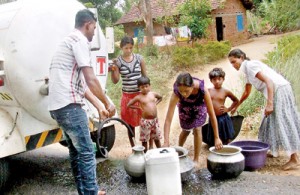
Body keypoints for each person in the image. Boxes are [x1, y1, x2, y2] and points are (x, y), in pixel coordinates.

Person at [49, 9, 116, 195]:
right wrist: (108, 104)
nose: (94, 33)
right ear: (87, 25)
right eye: (94, 28)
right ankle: (91, 192)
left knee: (76, 152)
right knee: (86, 152)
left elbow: (82, 86)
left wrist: (100, 105)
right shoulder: (80, 41)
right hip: (69, 106)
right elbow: (91, 79)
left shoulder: (67, 42)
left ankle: (85, 191)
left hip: (58, 107)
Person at [228, 48, 300, 171]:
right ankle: (272, 149)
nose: (233, 65)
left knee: (282, 121)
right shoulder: (247, 71)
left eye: (234, 61)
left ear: (241, 57)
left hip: (279, 90)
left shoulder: (250, 66)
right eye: (231, 63)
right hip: (280, 90)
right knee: (267, 121)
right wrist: (236, 106)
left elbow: (269, 81)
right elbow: (246, 92)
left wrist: (270, 103)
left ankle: (295, 159)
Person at [163, 72, 223, 164]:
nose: (183, 94)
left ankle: (196, 159)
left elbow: (211, 114)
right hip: (184, 107)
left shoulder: (202, 89)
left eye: (186, 91)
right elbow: (168, 119)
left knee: (197, 129)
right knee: (185, 130)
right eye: (181, 91)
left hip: (199, 107)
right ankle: (180, 150)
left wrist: (217, 137)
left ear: (192, 86)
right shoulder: (176, 93)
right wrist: (166, 141)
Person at [110, 36, 149, 148]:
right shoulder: (118, 62)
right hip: (128, 97)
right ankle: (134, 148)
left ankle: (145, 148)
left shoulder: (139, 59)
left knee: (144, 123)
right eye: (126, 48)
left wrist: (147, 94)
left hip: (140, 96)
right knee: (130, 125)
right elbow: (115, 80)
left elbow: (145, 77)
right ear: (121, 47)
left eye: (130, 48)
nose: (128, 50)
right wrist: (113, 68)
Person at [127, 76, 162, 152]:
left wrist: (155, 103)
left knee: (157, 138)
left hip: (154, 120)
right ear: (139, 88)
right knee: (144, 140)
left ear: (150, 86)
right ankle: (145, 154)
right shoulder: (139, 97)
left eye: (146, 86)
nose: (145, 88)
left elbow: (160, 97)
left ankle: (160, 152)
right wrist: (138, 108)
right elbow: (129, 104)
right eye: (142, 87)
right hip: (145, 122)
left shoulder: (153, 94)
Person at [207, 68, 239, 145]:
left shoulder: (226, 91)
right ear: (211, 80)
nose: (217, 81)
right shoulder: (208, 91)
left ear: (223, 79)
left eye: (219, 79)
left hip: (223, 117)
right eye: (214, 79)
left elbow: (236, 100)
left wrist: (228, 109)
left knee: (226, 135)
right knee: (214, 135)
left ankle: (226, 146)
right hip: (212, 117)